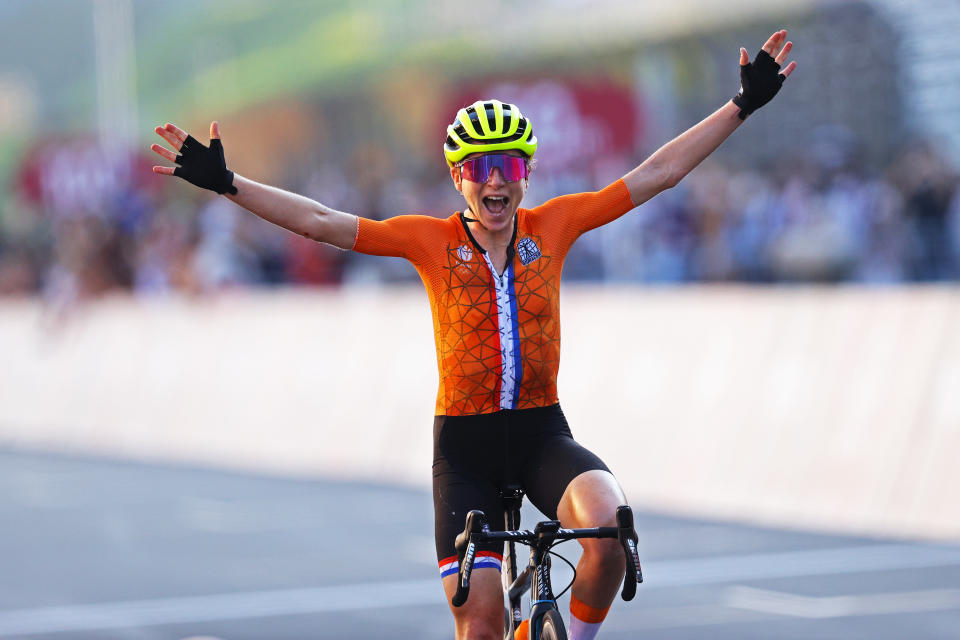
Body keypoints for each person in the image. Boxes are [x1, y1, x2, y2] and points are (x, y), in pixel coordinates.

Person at [152, 30, 796, 640]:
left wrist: (742, 105)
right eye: (480, 166)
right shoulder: (428, 240)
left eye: (509, 166)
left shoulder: (555, 225)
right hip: (464, 449)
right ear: (458, 176)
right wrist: (228, 184)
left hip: (543, 432)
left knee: (609, 530)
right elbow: (321, 221)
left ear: (526, 175)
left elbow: (658, 173)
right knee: (482, 624)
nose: (495, 180)